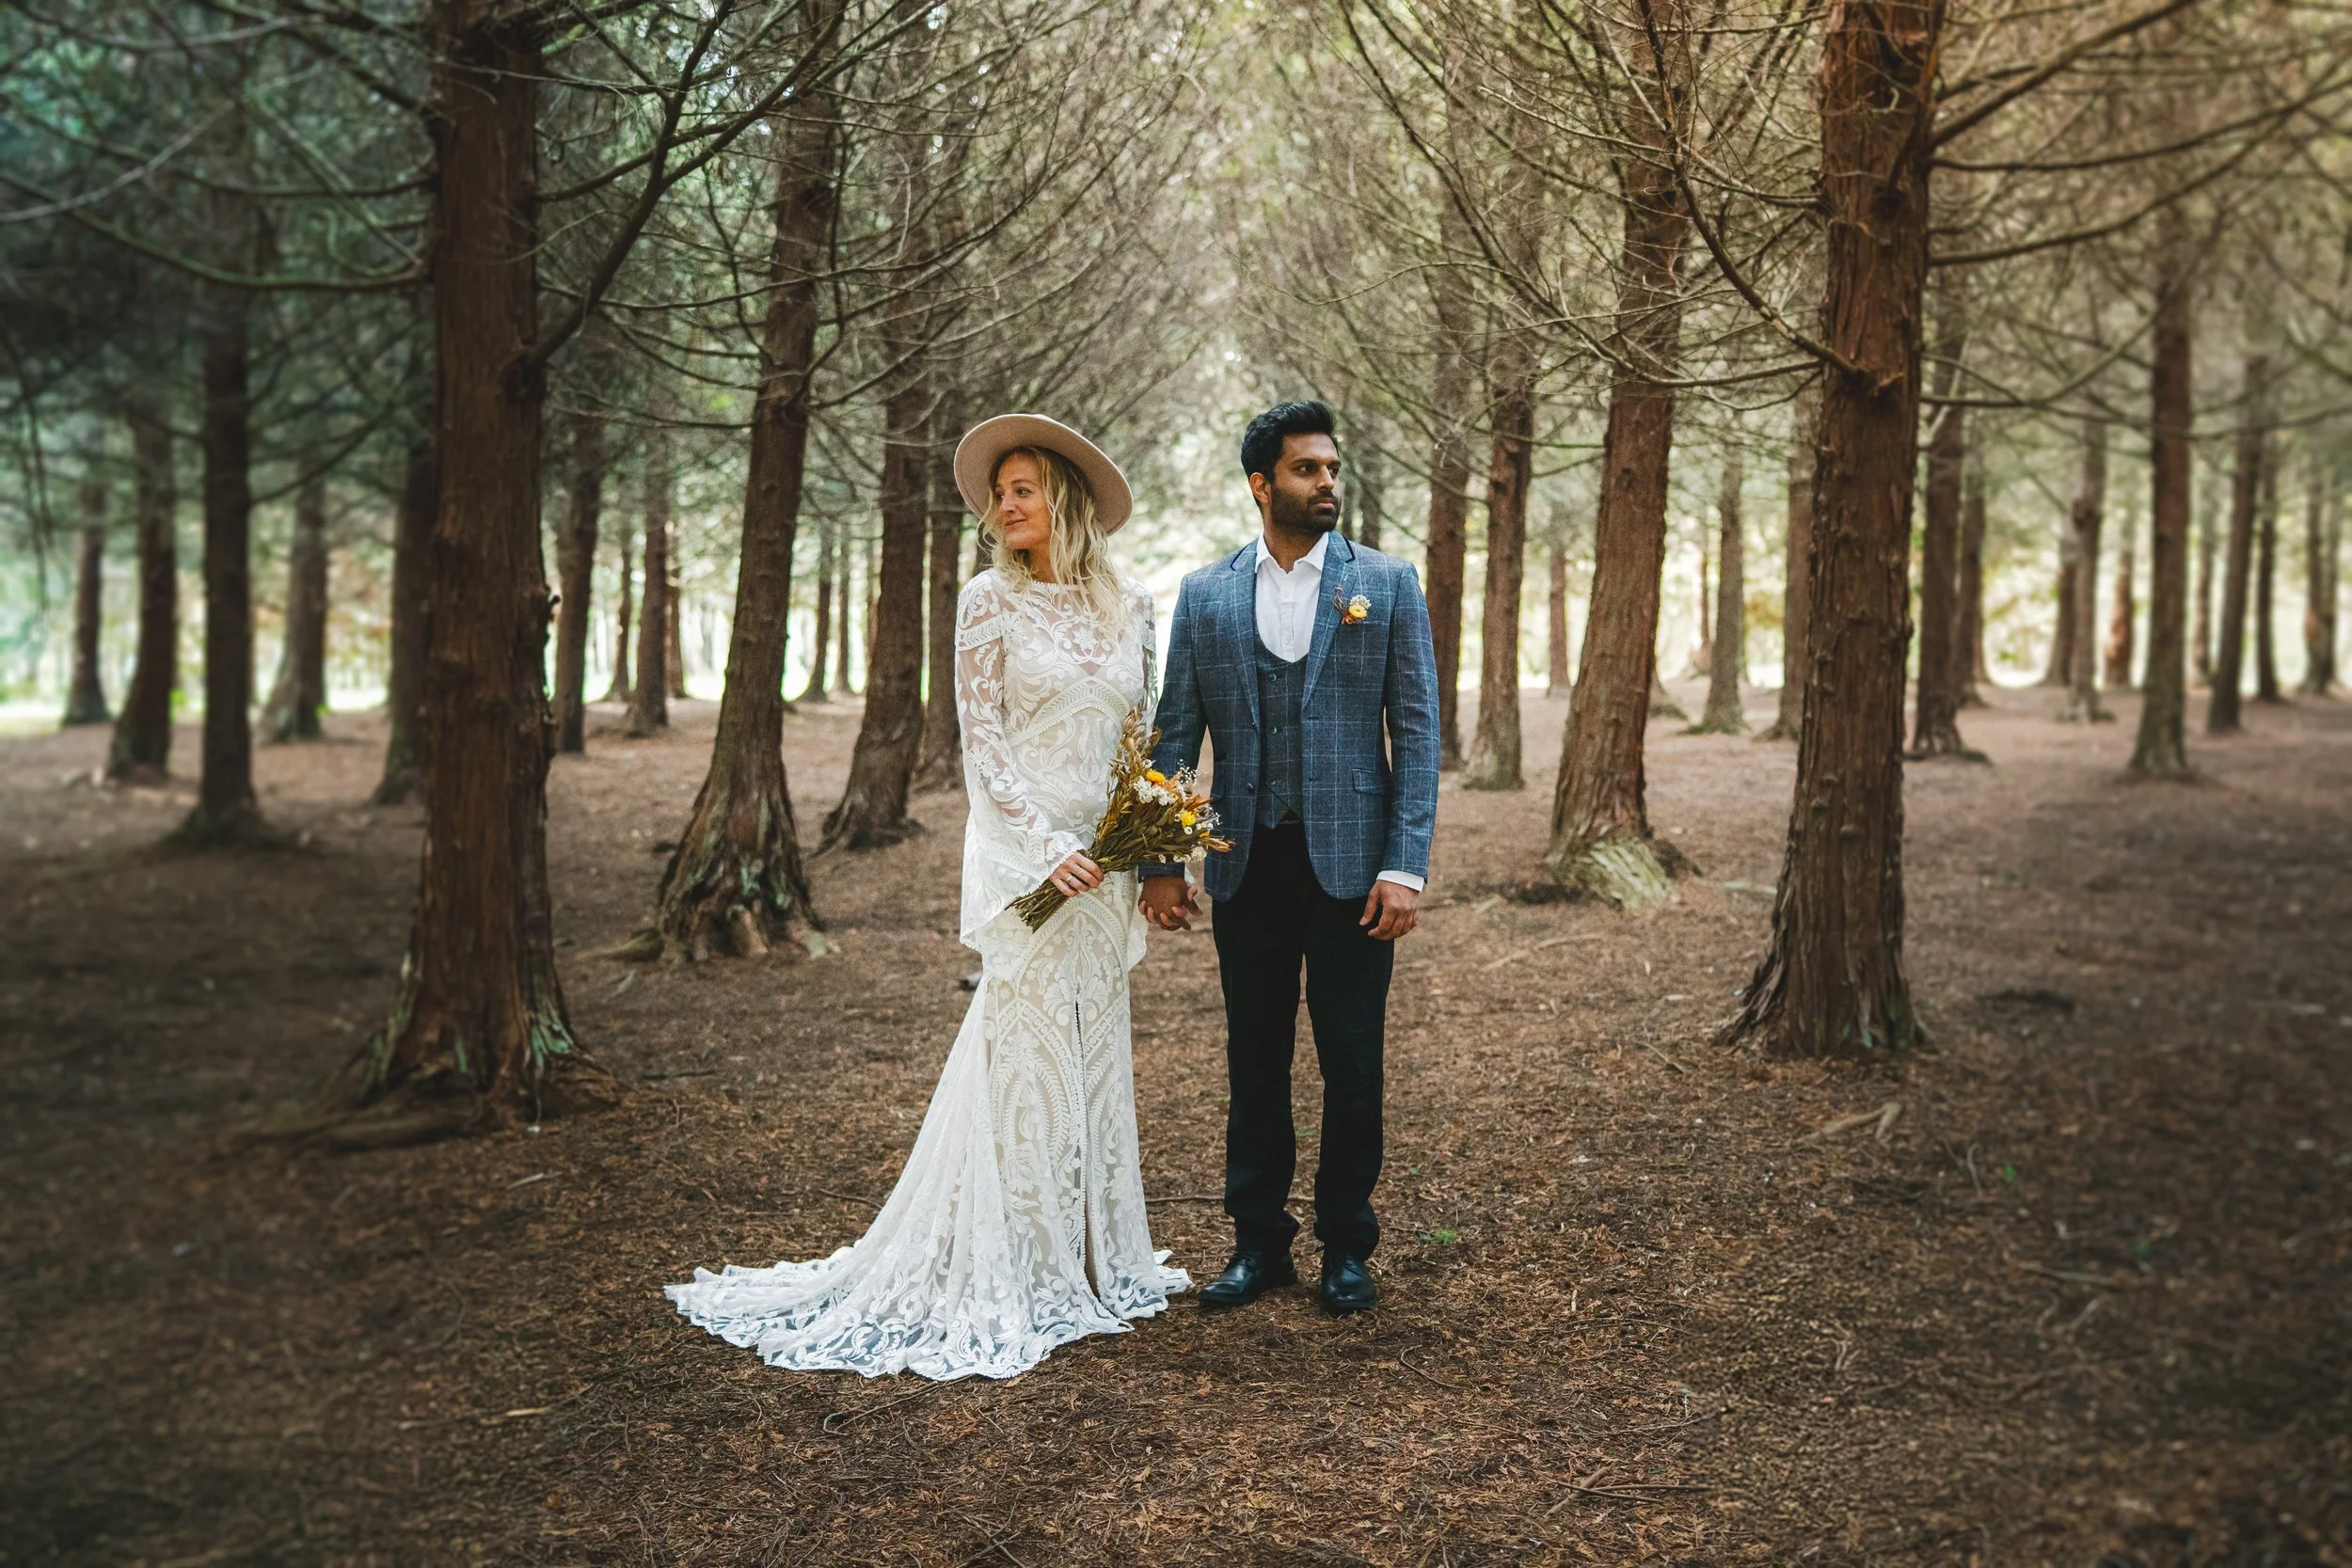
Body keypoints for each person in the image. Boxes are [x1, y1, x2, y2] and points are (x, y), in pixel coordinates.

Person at [666, 415, 1187, 1380]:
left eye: (1023, 488)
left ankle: (1092, 1253)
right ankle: (1019, 1263)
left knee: (1093, 1050)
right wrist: (1047, 847)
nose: (1004, 505)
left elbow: (1140, 741)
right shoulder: (988, 600)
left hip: (1105, 866)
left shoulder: (1135, 607)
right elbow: (982, 743)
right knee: (1023, 1052)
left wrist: (1141, 845)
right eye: (999, 492)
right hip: (1029, 859)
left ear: (1065, 497)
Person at [1141, 399, 1440, 1316]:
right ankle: (1257, 1242)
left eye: (1332, 468)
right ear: (1260, 484)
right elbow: (1175, 732)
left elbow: (1417, 732)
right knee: (1254, 1060)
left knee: (1353, 1062)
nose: (1327, 482)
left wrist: (1405, 866)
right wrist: (1161, 860)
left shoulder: (1385, 582)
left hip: (1355, 869)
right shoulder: (1206, 593)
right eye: (1307, 469)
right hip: (1245, 863)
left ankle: (1346, 1244)